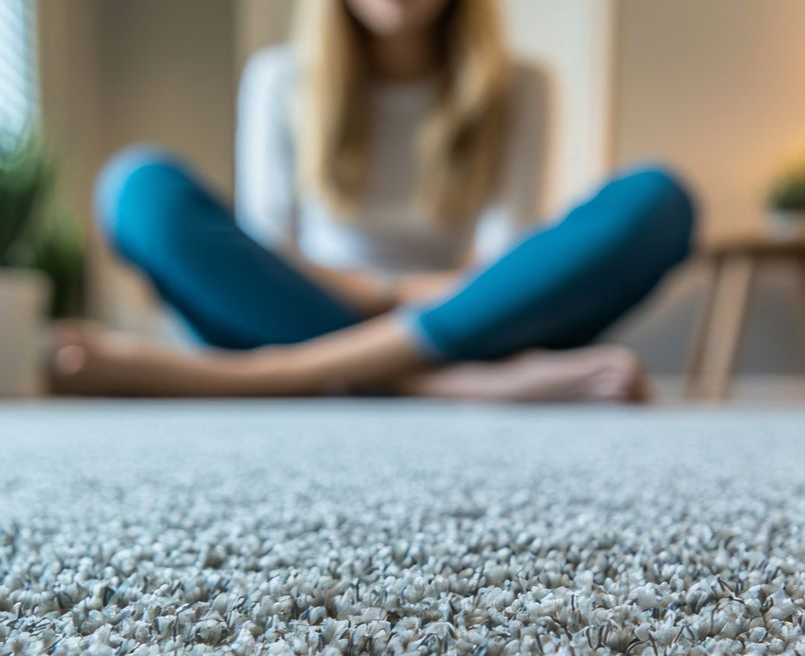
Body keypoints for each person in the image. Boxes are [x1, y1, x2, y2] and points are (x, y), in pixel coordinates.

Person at [52, 0, 696, 402]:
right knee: (137, 189)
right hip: (300, 306)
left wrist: (386, 294)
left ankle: (249, 381)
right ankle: (444, 382)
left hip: (477, 312)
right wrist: (374, 296)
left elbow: (506, 266)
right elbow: (271, 246)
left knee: (659, 201)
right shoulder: (280, 78)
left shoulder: (521, 86)